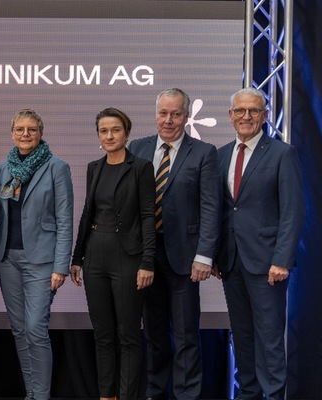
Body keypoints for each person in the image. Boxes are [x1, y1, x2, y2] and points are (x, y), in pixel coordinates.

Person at [128, 88, 220, 400]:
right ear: (155, 115)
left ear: (186, 116)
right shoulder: (138, 148)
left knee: (185, 335)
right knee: (154, 334)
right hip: (145, 257)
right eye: (163, 113)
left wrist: (204, 255)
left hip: (185, 258)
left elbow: (210, 208)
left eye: (176, 114)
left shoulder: (204, 152)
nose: (168, 120)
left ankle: (187, 394)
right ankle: (155, 392)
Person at [214, 88, 303, 400]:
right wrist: (215, 255)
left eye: (254, 111)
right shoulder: (221, 155)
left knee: (269, 338)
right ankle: (247, 394)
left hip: (268, 265)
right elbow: (221, 210)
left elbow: (292, 211)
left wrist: (282, 260)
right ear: (230, 116)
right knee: (242, 336)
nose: (246, 116)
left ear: (265, 116)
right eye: (240, 111)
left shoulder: (282, 154)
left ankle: (274, 395)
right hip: (231, 262)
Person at [70, 107, 156, 400]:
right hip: (95, 255)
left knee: (128, 335)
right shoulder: (94, 167)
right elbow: (87, 213)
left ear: (126, 133)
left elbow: (148, 216)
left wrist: (147, 261)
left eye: (115, 130)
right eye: (103, 131)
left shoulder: (141, 167)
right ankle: (106, 396)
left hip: (128, 257)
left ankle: (127, 395)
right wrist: (77, 258)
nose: (109, 136)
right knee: (103, 335)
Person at [0, 109, 73, 400]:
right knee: (18, 329)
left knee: (35, 328)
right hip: (7, 259)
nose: (25, 134)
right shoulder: (3, 168)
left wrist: (61, 266)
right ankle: (31, 393)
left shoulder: (57, 167)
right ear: (12, 133)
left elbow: (65, 219)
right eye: (20, 129)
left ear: (41, 133)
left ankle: (41, 395)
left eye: (32, 129)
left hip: (42, 261)